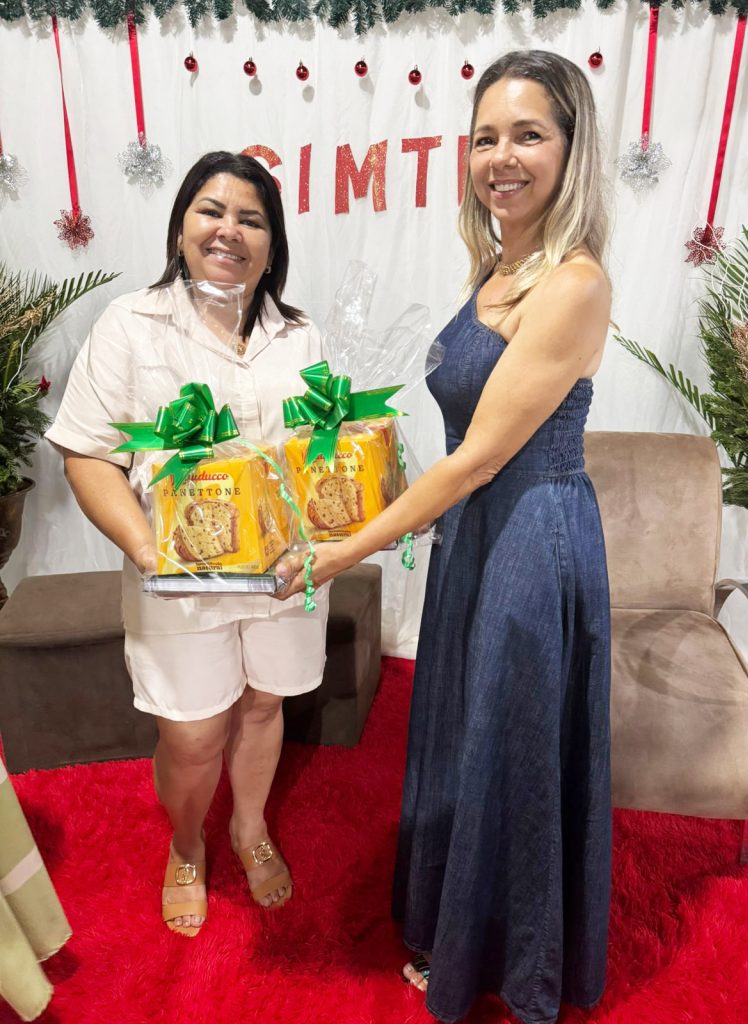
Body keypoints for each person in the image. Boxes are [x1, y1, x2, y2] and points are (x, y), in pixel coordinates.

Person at [276, 50, 612, 1024]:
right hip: (474, 528)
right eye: (485, 137)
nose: (501, 157)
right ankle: (459, 927)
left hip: (530, 532)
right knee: (469, 727)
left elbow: (475, 460)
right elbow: (459, 442)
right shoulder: (500, 264)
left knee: (512, 739)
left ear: (571, 149)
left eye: (528, 135)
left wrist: (344, 551)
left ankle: (517, 960)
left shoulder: (572, 282)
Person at [46, 151, 330, 936]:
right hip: (177, 580)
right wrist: (150, 552)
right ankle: (187, 842)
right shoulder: (130, 325)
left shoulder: (299, 334)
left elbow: (324, 450)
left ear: (271, 245)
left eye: (252, 219)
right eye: (212, 211)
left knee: (265, 703)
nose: (229, 230)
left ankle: (249, 825)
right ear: (180, 229)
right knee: (194, 731)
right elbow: (87, 454)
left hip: (282, 573)